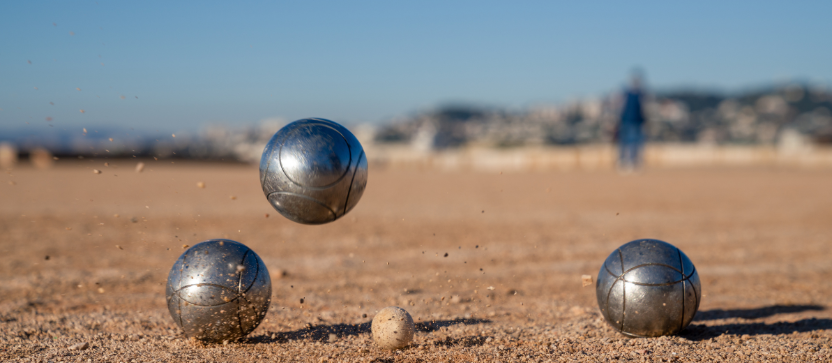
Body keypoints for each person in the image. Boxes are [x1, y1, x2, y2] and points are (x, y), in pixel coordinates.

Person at [617, 71, 647, 173]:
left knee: (636, 144)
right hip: (626, 121)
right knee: (626, 143)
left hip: (638, 122)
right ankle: (624, 162)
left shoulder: (640, 94)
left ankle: (634, 163)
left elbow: (644, 108)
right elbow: (620, 106)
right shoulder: (626, 93)